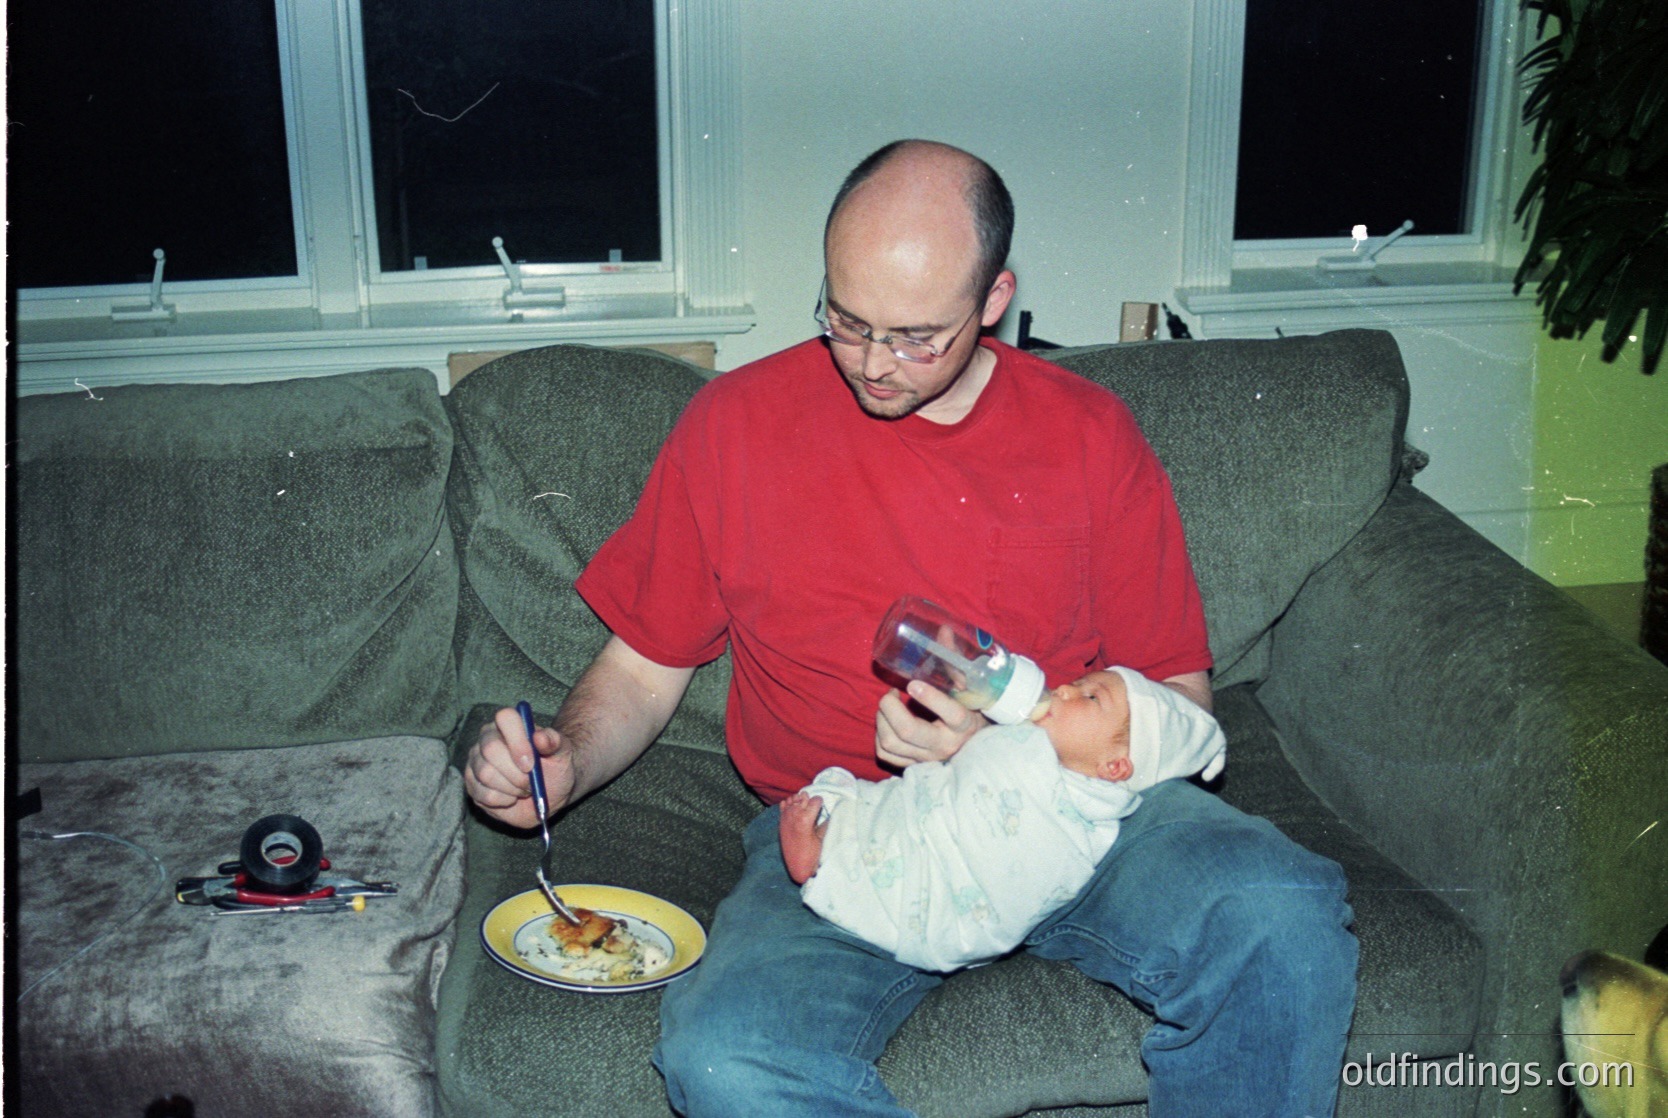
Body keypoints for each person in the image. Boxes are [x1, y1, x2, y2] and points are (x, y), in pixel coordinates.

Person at [463, 139, 1358, 1117]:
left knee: (1284, 910)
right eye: (846, 321)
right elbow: (640, 671)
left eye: (916, 336)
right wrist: (562, 767)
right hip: (849, 833)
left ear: (994, 300)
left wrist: (1018, 745)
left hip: (1077, 818)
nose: (873, 364)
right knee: (725, 1060)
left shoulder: (1089, 433)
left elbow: (1181, 711)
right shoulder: (735, 426)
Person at [780, 666, 1227, 973]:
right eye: (1076, 683)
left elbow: (1027, 857)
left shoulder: (1082, 812)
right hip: (936, 819)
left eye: (1092, 698)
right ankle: (833, 842)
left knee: (902, 844)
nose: (1065, 691)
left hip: (961, 883)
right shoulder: (1037, 750)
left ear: (1115, 768)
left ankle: (826, 856)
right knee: (879, 806)